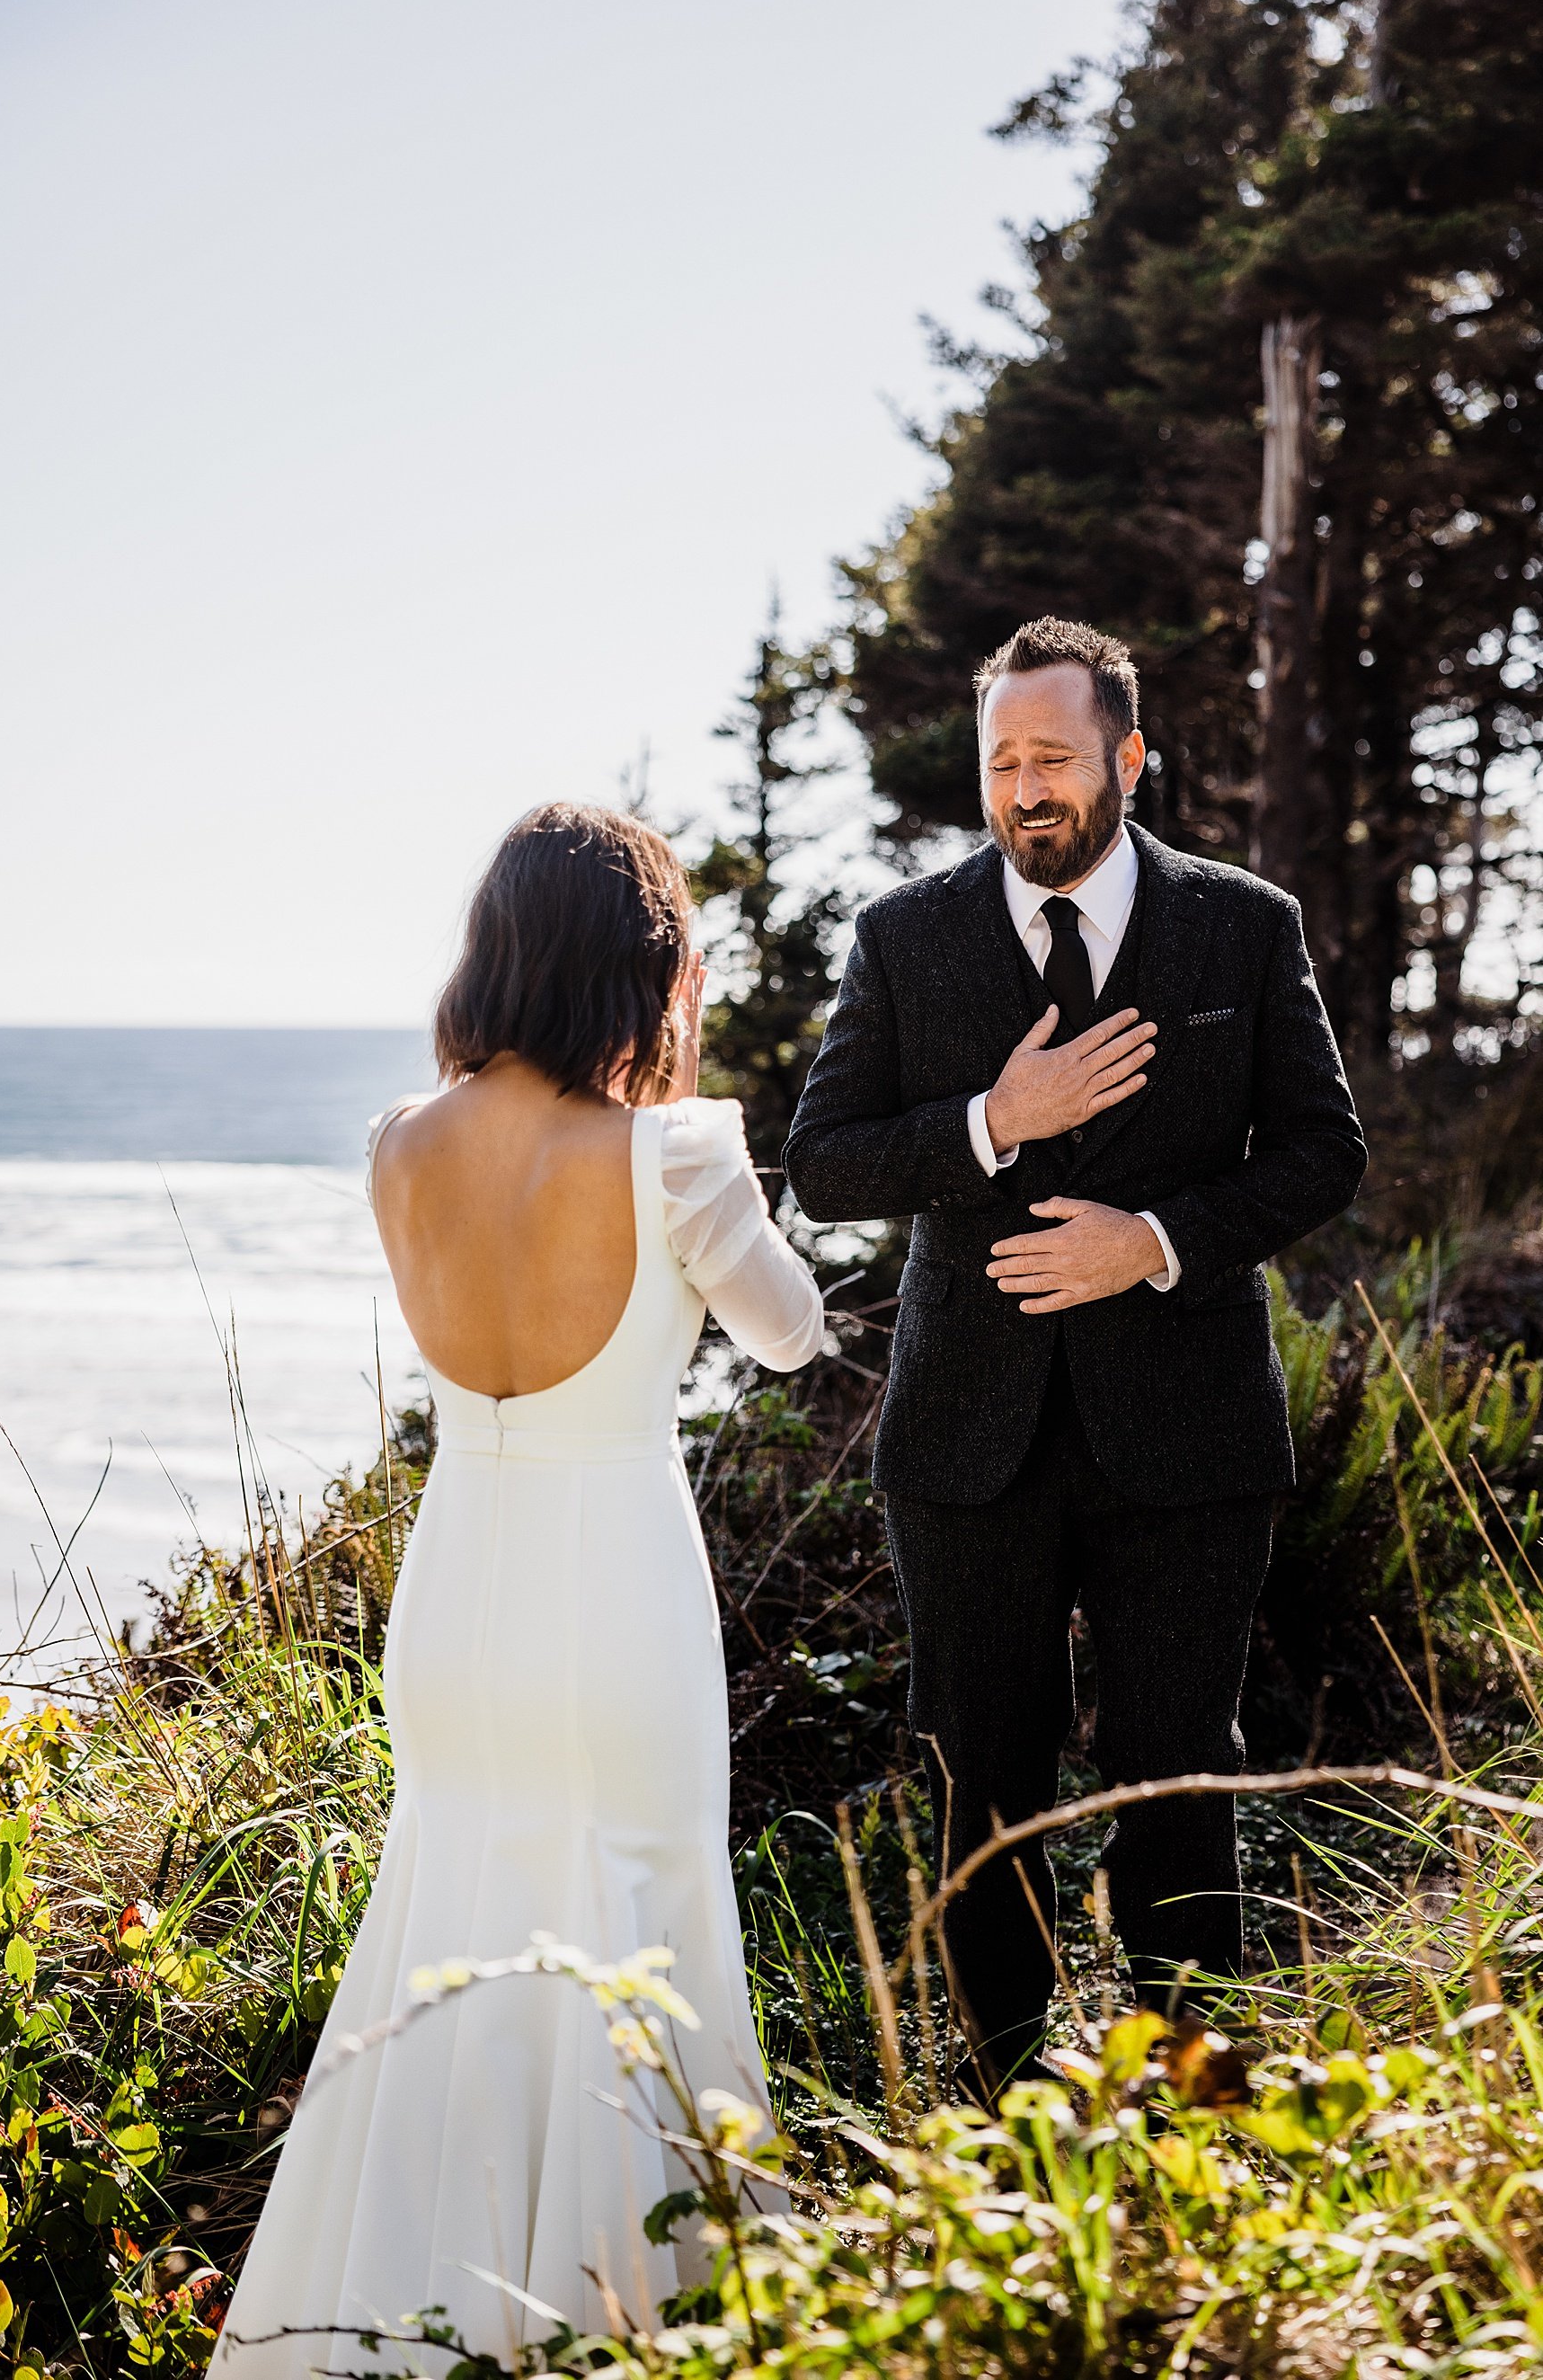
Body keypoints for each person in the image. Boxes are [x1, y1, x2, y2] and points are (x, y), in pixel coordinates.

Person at [221, 803, 823, 2371]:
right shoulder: (678, 1151)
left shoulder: (398, 1144)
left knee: (455, 1930)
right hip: (612, 1588)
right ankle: (638, 2329)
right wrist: (689, 1086)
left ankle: (406, 2320)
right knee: (641, 1932)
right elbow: (792, 1329)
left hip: (458, 1593)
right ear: (643, 966)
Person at [784, 616, 1366, 2090]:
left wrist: (1154, 1238)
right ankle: (1002, 2107)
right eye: (1003, 762)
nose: (1027, 787)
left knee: (1181, 1773)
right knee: (990, 1785)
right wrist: (996, 1116)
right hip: (968, 1444)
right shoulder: (903, 936)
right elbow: (823, 1164)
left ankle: (1190, 2114)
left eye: (1053, 756)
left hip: (1191, 1436)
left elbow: (1321, 1152)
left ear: (1127, 756)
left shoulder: (1243, 924)